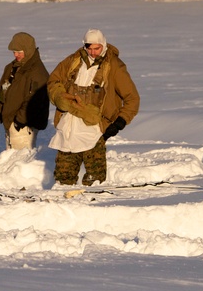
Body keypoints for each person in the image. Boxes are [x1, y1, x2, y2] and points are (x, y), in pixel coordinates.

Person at [47, 29, 140, 186]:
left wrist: (118, 123)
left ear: (103, 45)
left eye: (97, 48)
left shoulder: (114, 66)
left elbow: (133, 99)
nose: (93, 52)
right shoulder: (73, 61)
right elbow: (53, 81)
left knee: (95, 184)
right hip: (67, 130)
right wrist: (59, 97)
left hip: (94, 133)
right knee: (62, 183)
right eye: (89, 48)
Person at [0, 32, 50, 150]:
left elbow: (35, 100)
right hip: (10, 122)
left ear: (28, 50)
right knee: (10, 161)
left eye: (19, 52)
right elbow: (2, 89)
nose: (16, 55)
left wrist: (19, 121)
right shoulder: (11, 68)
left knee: (19, 163)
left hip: (24, 126)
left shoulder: (37, 72)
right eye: (14, 52)